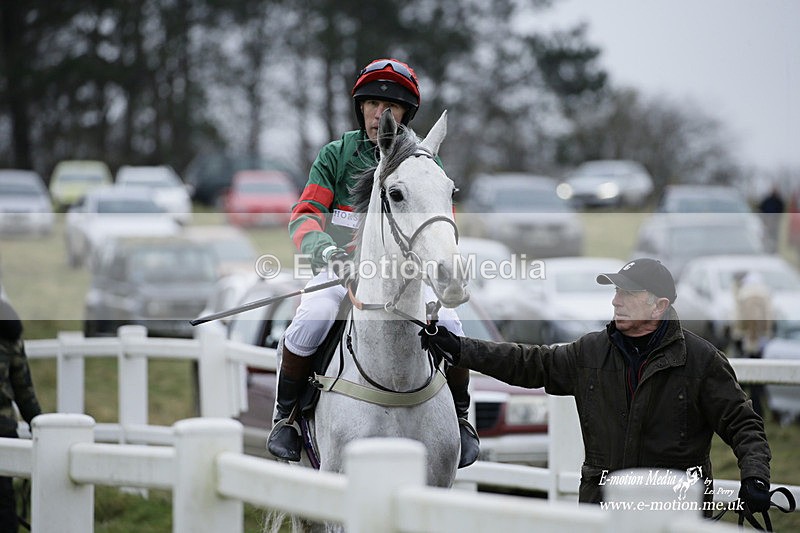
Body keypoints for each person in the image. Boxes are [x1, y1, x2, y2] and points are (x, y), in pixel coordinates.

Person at [422, 258, 771, 513]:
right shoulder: (591, 352)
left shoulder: (702, 361)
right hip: (600, 514)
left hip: (673, 514)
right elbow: (529, 363)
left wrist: (754, 478)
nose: (616, 300)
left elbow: (744, 424)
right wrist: (460, 348)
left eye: (629, 293)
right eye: (616, 290)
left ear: (660, 306)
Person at [267, 58, 479, 468]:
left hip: (405, 276)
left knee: (453, 323)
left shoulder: (425, 164)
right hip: (340, 269)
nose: (380, 114)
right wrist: (327, 254)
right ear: (360, 107)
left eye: (392, 106)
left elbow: (441, 224)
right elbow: (304, 215)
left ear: (406, 114)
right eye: (371, 104)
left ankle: (462, 418)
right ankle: (287, 418)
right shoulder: (336, 155)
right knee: (314, 312)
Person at [1, 291, 42, 532]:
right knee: (4, 504)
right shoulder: (7, 324)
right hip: (4, 430)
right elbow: (24, 391)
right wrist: (41, 426)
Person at [732, 271, 773, 418]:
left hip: (751, 341)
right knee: (755, 379)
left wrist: (752, 338)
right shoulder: (762, 292)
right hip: (758, 341)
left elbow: (751, 318)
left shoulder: (747, 293)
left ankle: (745, 410)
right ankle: (754, 410)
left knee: (749, 377)